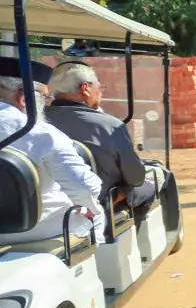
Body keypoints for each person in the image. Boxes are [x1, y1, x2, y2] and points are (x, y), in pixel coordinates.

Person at [0, 60, 105, 244]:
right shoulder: (42, 133)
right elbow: (84, 187)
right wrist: (89, 206)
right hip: (33, 231)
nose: (45, 103)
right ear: (24, 98)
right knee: (96, 215)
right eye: (44, 97)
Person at [45, 61, 163, 223]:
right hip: (101, 202)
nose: (100, 92)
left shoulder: (35, 121)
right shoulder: (109, 125)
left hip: (50, 203)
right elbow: (136, 178)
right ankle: (135, 233)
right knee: (153, 182)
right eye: (99, 87)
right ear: (85, 88)